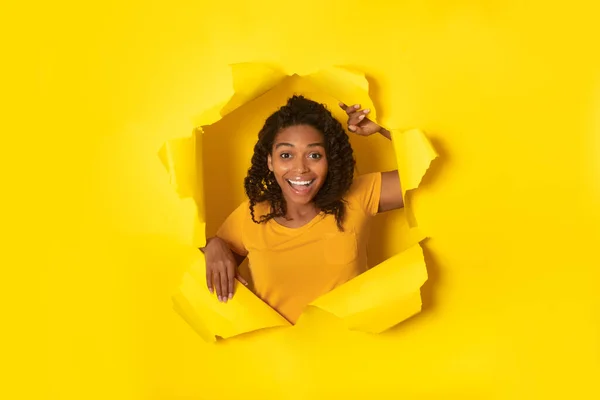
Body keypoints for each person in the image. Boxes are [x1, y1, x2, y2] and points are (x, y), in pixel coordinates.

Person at [200, 95, 404, 323]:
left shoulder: (358, 196)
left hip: (352, 351)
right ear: (270, 161)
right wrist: (214, 245)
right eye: (286, 155)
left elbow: (427, 176)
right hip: (278, 355)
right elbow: (202, 279)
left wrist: (384, 128)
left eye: (314, 155)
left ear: (329, 159)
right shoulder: (252, 214)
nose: (300, 168)